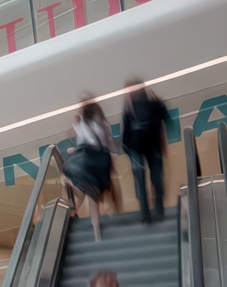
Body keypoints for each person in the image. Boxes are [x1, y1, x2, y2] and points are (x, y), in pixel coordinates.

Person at [63, 99, 116, 240]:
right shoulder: (102, 124)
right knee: (98, 196)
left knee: (90, 197)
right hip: (101, 165)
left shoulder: (86, 126)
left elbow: (86, 143)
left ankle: (96, 231)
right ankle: (103, 225)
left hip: (89, 166)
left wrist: (76, 123)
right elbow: (107, 143)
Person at [120, 80, 170, 223]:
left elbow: (164, 120)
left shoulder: (151, 104)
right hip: (138, 149)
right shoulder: (130, 108)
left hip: (149, 147)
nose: (129, 93)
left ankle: (154, 211)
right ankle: (148, 213)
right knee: (147, 181)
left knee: (152, 180)